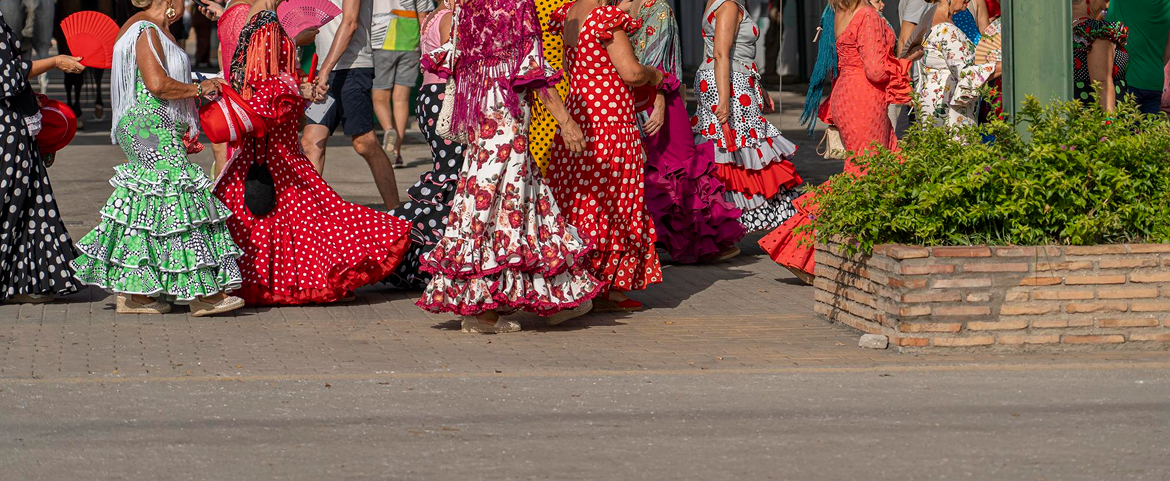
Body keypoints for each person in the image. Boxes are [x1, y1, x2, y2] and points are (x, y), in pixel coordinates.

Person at [416, 0, 601, 333]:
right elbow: (533, 73)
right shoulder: (517, 6)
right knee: (510, 203)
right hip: (506, 118)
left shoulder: (465, 7)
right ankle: (514, 302)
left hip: (479, 116)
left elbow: (454, 58)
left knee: (483, 202)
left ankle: (484, 308)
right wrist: (566, 120)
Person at [213, 0, 413, 306]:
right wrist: (299, 85)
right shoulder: (266, 21)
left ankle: (266, 278)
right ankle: (289, 275)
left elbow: (253, 78)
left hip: (279, 137)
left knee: (296, 206)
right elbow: (263, 86)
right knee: (304, 201)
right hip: (274, 143)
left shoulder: (257, 17)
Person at [70, 0, 245, 316]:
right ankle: (203, 293)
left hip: (155, 124)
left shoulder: (156, 29)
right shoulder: (146, 29)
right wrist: (198, 89)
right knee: (181, 199)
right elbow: (157, 84)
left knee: (149, 203)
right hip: (148, 125)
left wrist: (183, 122)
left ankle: (135, 293)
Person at [759, 0, 908, 282]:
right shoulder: (866, 14)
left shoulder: (841, 11)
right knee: (864, 175)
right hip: (865, 98)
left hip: (847, 94)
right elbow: (876, 70)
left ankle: (814, 250)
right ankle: (800, 249)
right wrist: (905, 62)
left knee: (863, 173)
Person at [546, 0, 663, 312]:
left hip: (580, 115)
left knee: (579, 199)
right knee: (615, 199)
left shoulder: (569, 13)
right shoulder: (604, 18)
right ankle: (606, 283)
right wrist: (655, 75)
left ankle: (582, 278)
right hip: (611, 121)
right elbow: (632, 72)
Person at [623, 0, 746, 264]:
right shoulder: (658, 9)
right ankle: (696, 242)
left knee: (655, 171)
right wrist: (658, 98)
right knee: (683, 170)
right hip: (662, 98)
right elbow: (657, 62)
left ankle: (656, 240)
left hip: (630, 100)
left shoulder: (617, 10)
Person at [693, 0, 802, 234]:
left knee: (731, 151)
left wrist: (758, 88)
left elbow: (731, 54)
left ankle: (727, 219)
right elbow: (722, 53)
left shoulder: (723, 2)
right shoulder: (728, 4)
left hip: (732, 80)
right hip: (729, 84)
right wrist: (724, 99)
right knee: (740, 149)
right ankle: (760, 215)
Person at [0, 11, 85, 304]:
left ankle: (26, 282)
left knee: (28, 203)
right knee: (16, 203)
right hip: (6, 127)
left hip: (13, 123)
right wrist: (55, 61)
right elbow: (7, 74)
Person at [383, 0, 462, 289]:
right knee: (451, 180)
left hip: (430, 97)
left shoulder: (431, 16)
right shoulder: (449, 18)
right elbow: (455, 61)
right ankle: (416, 249)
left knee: (447, 176)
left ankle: (417, 252)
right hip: (447, 99)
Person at [301, 0, 403, 210]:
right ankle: (309, 216)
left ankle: (397, 215)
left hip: (352, 69)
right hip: (325, 70)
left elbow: (350, 23)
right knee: (311, 142)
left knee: (365, 143)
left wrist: (325, 70)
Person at [371, 0, 435, 164]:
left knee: (380, 95)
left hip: (380, 39)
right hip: (409, 40)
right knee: (401, 99)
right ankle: (396, 152)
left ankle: (388, 129)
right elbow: (423, 14)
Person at [916, 0, 998, 127]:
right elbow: (968, 76)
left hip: (933, 105)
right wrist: (1005, 65)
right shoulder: (946, 30)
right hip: (948, 115)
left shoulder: (930, 18)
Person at [529, 0, 572, 176]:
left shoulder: (523, 5)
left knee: (539, 153)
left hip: (530, 85)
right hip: (557, 85)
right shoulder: (565, 5)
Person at [1106, 0, 1170, 114]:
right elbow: (1168, 49)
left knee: (1121, 130)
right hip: (1154, 80)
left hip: (1125, 80)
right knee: (1149, 131)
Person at [1073, 0, 1128, 112]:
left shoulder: (1058, 29)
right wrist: (1109, 126)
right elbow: (1102, 83)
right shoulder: (1095, 30)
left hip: (1071, 116)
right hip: (1096, 120)